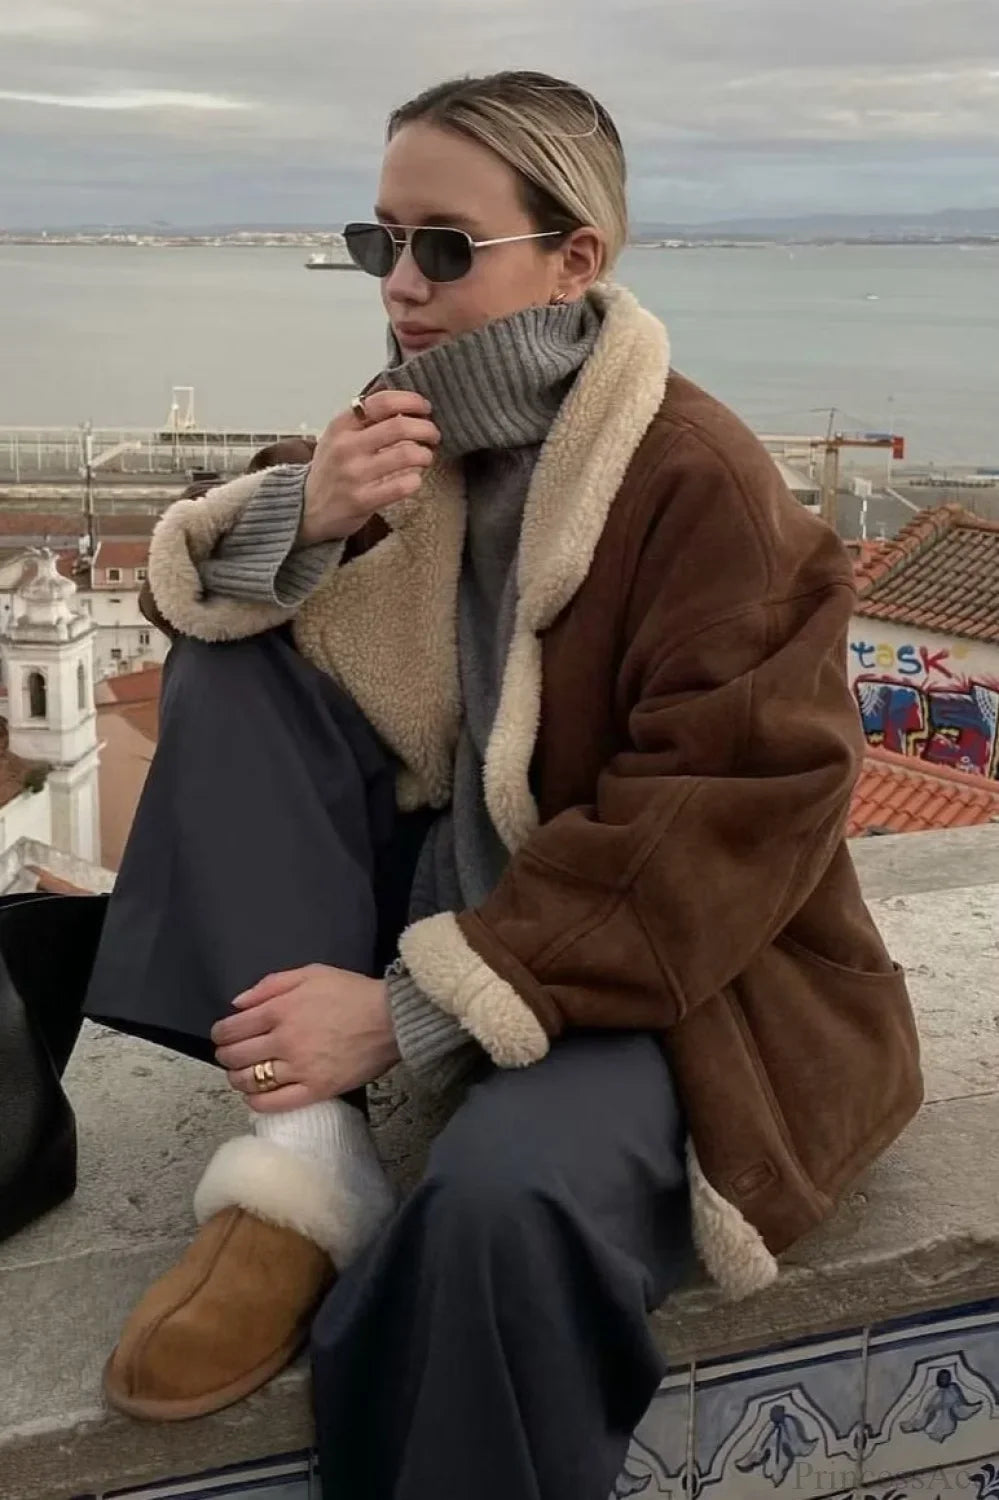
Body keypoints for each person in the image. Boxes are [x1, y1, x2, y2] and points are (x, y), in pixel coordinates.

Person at [85, 70, 922, 1500]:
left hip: (677, 976)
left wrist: (405, 1010)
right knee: (235, 652)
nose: (400, 284)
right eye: (379, 240)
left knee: (498, 1210)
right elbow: (203, 603)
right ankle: (304, 1160)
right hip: (467, 901)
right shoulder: (403, 430)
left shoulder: (699, 485)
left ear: (575, 257)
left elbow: (726, 816)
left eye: (445, 246)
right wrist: (309, 513)